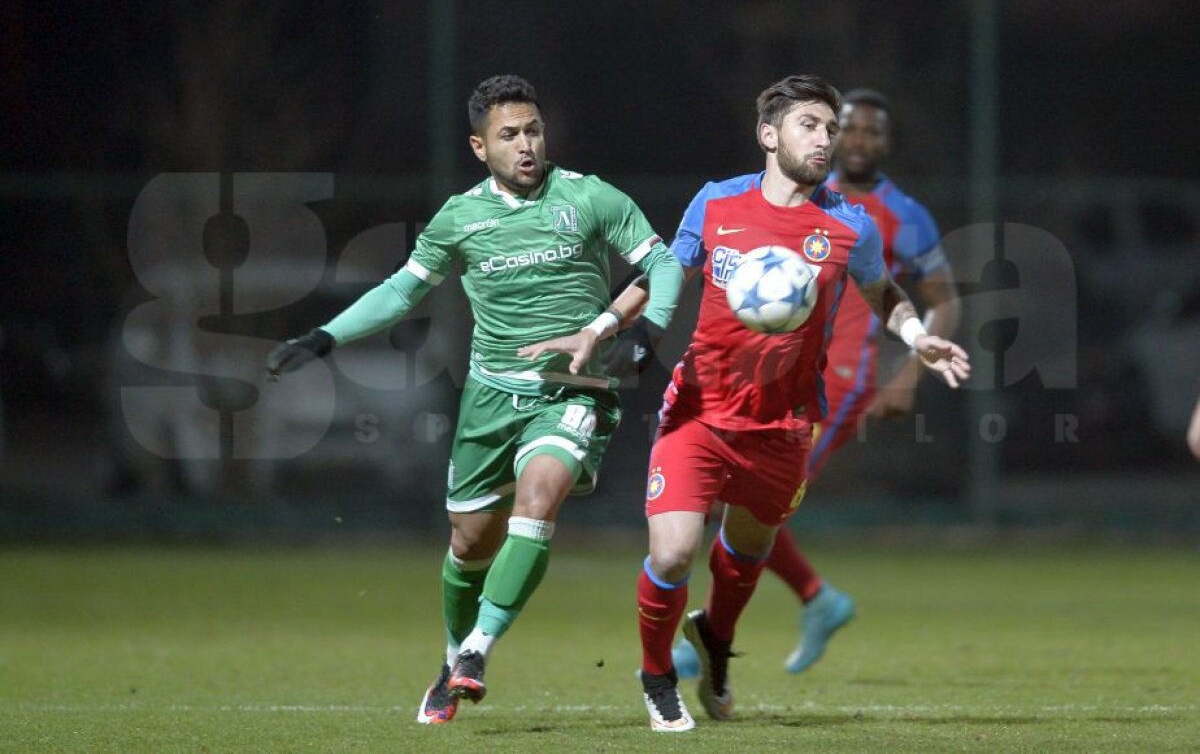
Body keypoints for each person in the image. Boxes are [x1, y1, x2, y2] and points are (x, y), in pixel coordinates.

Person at [531, 75, 970, 731]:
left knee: (745, 552)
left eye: (829, 126)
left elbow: (882, 293)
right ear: (769, 135)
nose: (825, 139)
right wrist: (600, 329)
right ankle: (657, 676)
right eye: (810, 125)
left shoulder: (849, 224)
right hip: (700, 410)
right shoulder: (716, 203)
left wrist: (917, 337)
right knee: (676, 552)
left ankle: (714, 641)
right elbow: (662, 275)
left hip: (786, 423)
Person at [264, 74, 683, 725]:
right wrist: (324, 336)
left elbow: (663, 264)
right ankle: (453, 652)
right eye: (509, 135)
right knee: (467, 544)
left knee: (540, 495)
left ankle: (478, 650)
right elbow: (401, 292)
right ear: (478, 146)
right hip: (489, 397)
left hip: (571, 391)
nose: (526, 145)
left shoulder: (590, 197)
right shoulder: (461, 217)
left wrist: (645, 333)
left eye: (533, 130)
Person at [667, 88, 962, 678]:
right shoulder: (777, 197)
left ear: (885, 143)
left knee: (752, 505)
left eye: (868, 132)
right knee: (742, 506)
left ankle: (719, 636)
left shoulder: (893, 216)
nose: (851, 140)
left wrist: (906, 376)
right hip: (753, 381)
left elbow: (940, 301)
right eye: (841, 127)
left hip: (838, 381)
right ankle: (813, 601)